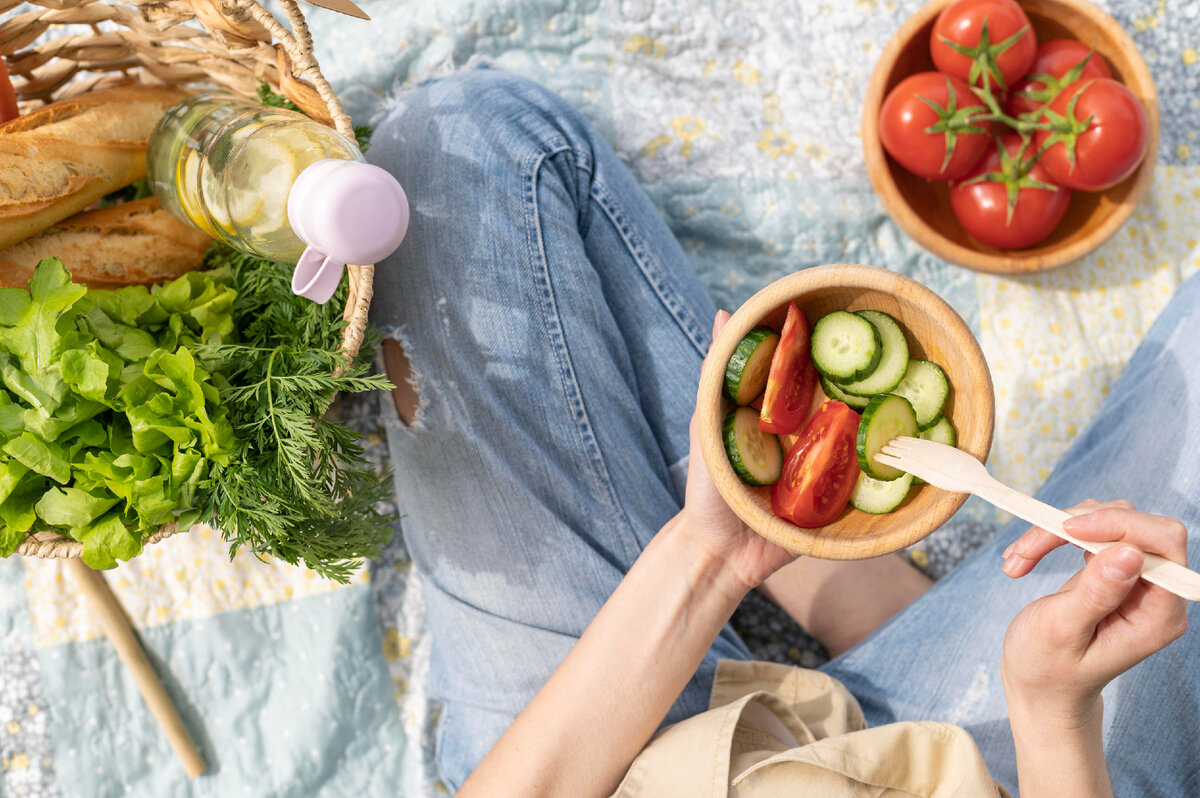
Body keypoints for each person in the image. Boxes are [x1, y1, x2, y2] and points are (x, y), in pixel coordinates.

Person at [366, 66, 1197, 797]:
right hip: (970, 767)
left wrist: (711, 555)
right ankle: (882, 612)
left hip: (590, 763)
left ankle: (854, 591)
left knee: (459, 146)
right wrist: (1055, 715)